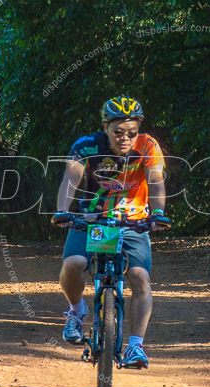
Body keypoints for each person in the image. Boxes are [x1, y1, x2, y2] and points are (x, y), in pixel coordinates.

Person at [50, 96, 172, 368]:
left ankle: (136, 347)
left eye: (132, 132)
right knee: (74, 263)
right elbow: (71, 178)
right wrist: (62, 210)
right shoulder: (87, 145)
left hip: (132, 221)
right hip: (91, 219)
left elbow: (155, 181)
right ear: (105, 127)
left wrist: (158, 213)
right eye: (118, 132)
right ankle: (76, 310)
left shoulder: (148, 145)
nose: (125, 138)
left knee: (140, 277)